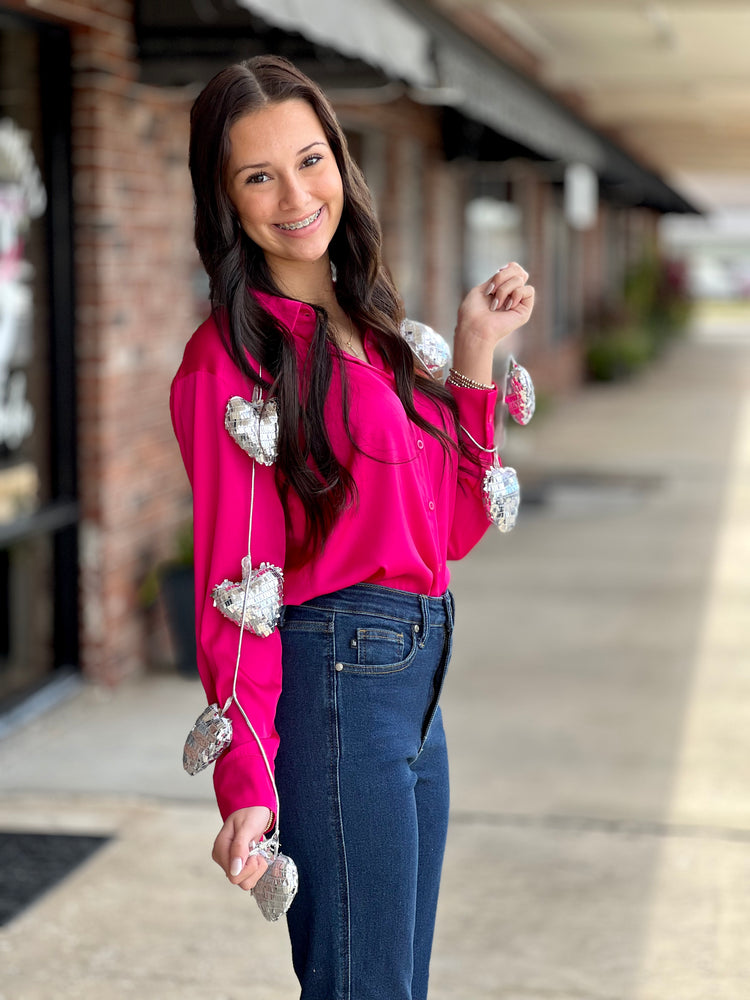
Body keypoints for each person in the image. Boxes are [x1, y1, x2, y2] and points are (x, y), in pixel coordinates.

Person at [171, 54, 534, 1000]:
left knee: (393, 986)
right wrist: (245, 782)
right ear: (226, 202)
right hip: (337, 683)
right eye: (258, 175)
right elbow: (235, 579)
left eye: (309, 159)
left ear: (340, 160)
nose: (295, 194)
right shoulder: (231, 360)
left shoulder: (372, 327)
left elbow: (447, 530)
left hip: (418, 685)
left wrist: (478, 354)